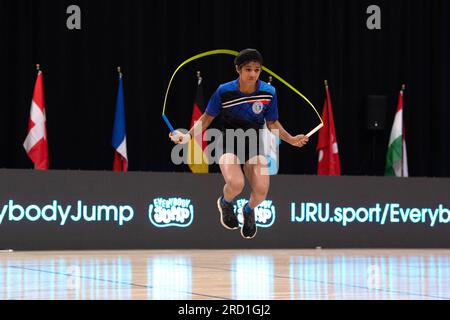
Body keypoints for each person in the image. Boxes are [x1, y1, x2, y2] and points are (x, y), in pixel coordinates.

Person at [169, 48, 309, 239]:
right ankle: (226, 203)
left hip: (254, 144)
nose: (253, 74)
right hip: (228, 141)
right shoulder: (224, 91)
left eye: (257, 70)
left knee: (261, 192)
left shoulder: (269, 92)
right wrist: (187, 136)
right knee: (236, 184)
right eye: (248, 69)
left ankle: (249, 211)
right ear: (239, 70)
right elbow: (207, 118)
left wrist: (291, 139)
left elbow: (272, 122)